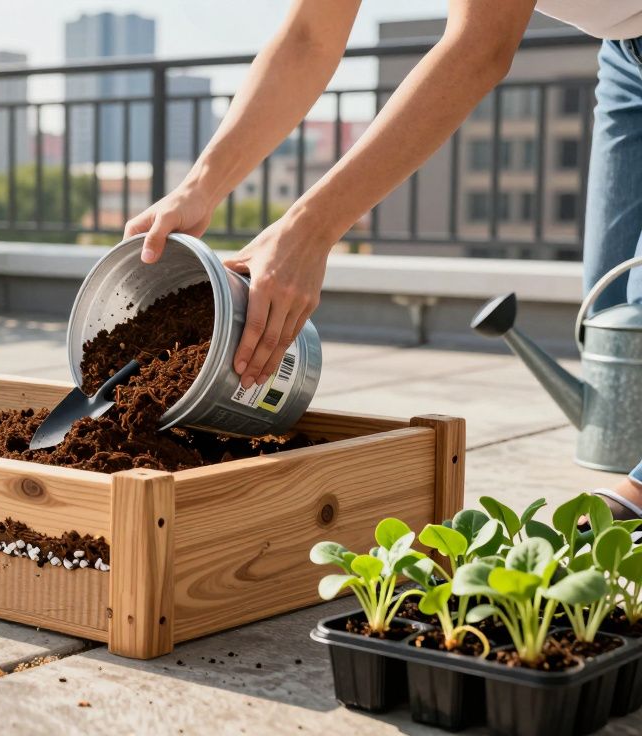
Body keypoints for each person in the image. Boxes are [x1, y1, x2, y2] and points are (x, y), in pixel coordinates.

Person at [123, 0, 642, 519]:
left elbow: (480, 44)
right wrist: (199, 188)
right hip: (623, 54)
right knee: (612, 317)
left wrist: (309, 230)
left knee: (633, 312)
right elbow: (308, 38)